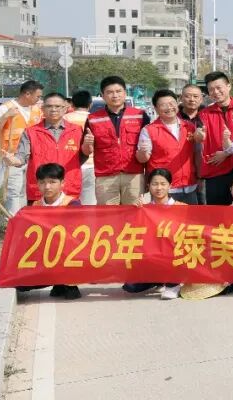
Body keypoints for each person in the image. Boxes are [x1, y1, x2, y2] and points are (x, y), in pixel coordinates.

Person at [2, 93, 82, 206]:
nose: (53, 109)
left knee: (71, 223)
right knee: (39, 224)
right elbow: (22, 156)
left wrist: (89, 146)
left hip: (69, 189)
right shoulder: (31, 132)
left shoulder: (77, 130)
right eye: (49, 106)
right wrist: (13, 160)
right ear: (42, 109)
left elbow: (83, 156)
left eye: (58, 106)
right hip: (40, 191)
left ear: (65, 109)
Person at [18, 163, 82, 300]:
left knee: (71, 294)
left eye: (52, 182)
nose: (47, 187)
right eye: (42, 182)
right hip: (44, 257)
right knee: (21, 285)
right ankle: (57, 281)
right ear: (38, 184)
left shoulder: (73, 204)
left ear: (62, 183)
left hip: (68, 256)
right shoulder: (35, 206)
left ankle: (68, 283)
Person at [82, 76, 149, 206]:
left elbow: (148, 147)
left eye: (118, 91)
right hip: (105, 176)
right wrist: (87, 143)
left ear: (125, 93)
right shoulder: (93, 119)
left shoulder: (140, 115)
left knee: (134, 215)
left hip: (134, 175)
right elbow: (86, 151)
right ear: (102, 95)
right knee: (108, 217)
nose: (115, 95)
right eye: (110, 92)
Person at [124, 168, 183, 300]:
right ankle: (159, 280)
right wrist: (134, 211)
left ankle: (174, 284)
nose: (159, 188)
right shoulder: (144, 209)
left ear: (170, 186)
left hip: (175, 257)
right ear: (148, 186)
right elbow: (131, 232)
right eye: (155, 184)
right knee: (130, 286)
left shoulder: (180, 207)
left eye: (163, 184)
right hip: (152, 258)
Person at [136, 89, 202, 204]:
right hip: (164, 190)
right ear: (156, 109)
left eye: (172, 103)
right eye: (163, 105)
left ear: (177, 104)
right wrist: (142, 153)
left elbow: (196, 154)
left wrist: (199, 177)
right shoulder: (148, 130)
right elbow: (142, 158)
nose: (169, 107)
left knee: (191, 221)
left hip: (189, 186)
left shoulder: (189, 127)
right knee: (164, 222)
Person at [0, 79, 44, 214]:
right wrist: (6, 116)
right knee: (13, 191)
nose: (39, 99)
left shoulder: (36, 109)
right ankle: (12, 222)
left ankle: (21, 220)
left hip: (32, 157)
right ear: (27, 94)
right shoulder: (5, 108)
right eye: (38, 96)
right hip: (12, 157)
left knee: (26, 191)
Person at [195, 71, 233, 206]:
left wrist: (226, 152)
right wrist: (199, 136)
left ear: (228, 86)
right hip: (216, 170)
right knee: (218, 214)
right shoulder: (204, 114)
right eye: (211, 89)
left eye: (219, 87)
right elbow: (200, 135)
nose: (215, 92)